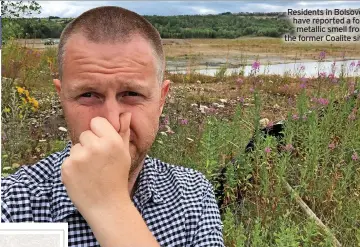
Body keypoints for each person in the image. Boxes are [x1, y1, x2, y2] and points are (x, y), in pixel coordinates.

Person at [1, 6, 224, 247]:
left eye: (131, 94)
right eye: (88, 94)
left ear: (161, 100)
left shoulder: (192, 195)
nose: (112, 121)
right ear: (61, 97)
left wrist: (110, 206)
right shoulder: (13, 205)